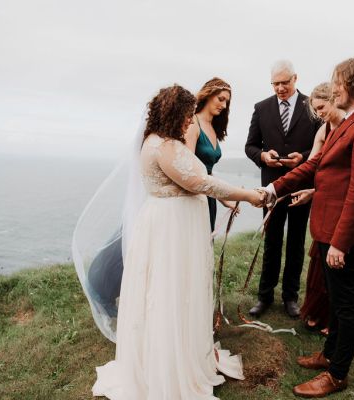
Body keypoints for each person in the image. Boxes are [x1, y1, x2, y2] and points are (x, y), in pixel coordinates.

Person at [91, 85, 263, 400]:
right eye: (185, 117)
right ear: (174, 114)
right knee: (170, 290)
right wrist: (248, 194)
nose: (189, 122)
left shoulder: (159, 141)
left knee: (174, 289)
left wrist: (225, 200)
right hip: (171, 229)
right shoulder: (163, 147)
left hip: (171, 223)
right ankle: (167, 365)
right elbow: (199, 181)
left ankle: (176, 350)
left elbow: (195, 182)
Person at [262, 57, 354, 397]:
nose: (334, 88)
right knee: (334, 300)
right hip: (325, 225)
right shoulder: (347, 123)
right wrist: (273, 189)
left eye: (338, 82)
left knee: (345, 305)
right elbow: (315, 165)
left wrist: (340, 243)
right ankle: (328, 354)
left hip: (340, 233)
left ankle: (337, 374)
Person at [244, 60, 320, 318]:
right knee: (272, 242)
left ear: (295, 79)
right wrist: (263, 156)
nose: (279, 88)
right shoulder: (261, 108)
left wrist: (304, 157)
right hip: (272, 188)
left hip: (302, 186)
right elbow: (250, 146)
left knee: (297, 242)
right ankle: (264, 297)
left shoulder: (312, 106)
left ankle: (291, 298)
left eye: (284, 83)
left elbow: (323, 146)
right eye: (275, 84)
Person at [291, 82, 347, 335]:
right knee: (320, 261)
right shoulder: (323, 129)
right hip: (323, 203)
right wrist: (307, 191)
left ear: (335, 100)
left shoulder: (351, 127)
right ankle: (318, 311)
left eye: (322, 107)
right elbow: (313, 164)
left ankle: (336, 318)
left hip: (345, 204)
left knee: (340, 261)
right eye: (315, 110)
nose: (319, 113)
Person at [185, 77, 237, 231]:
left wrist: (223, 199)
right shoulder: (193, 123)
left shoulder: (214, 128)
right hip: (194, 196)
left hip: (209, 197)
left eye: (227, 102)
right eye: (221, 99)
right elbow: (188, 168)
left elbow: (207, 171)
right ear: (208, 95)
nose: (224, 105)